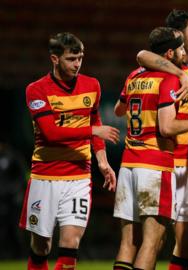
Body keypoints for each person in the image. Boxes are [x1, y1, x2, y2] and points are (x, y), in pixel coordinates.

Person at [112, 27, 188, 270]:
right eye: (179, 49)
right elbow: (167, 128)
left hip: (128, 164)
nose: (182, 53)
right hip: (154, 165)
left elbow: (118, 110)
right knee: (152, 241)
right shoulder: (168, 79)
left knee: (127, 242)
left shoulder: (134, 76)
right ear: (169, 53)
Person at [19, 32, 119, 270]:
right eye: (71, 59)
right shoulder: (36, 90)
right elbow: (51, 133)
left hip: (78, 178)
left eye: (80, 58)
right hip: (45, 176)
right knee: (41, 247)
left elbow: (94, 122)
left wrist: (103, 162)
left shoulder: (92, 85)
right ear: (55, 59)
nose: (77, 64)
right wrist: (93, 132)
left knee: (70, 245)